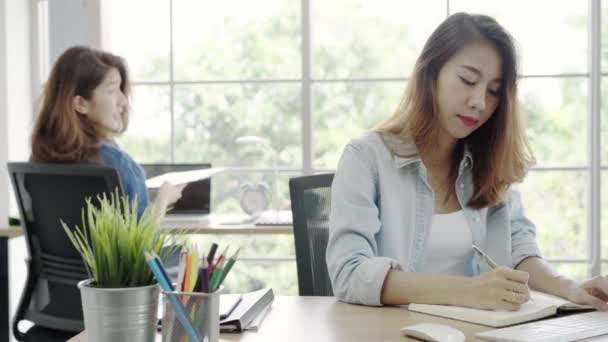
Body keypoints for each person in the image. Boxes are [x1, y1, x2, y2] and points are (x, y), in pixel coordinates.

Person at [326, 13, 608, 311]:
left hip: (477, 331)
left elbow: (519, 251)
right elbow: (349, 273)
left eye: (493, 91)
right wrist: (468, 291)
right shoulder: (366, 158)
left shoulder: (489, 162)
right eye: (468, 80)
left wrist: (571, 288)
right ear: (430, 72)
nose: (480, 102)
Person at [31, 46, 182, 219]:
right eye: (111, 91)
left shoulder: (37, 159)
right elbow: (145, 244)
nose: (123, 101)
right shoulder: (118, 163)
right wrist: (163, 200)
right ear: (81, 103)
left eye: (121, 90)